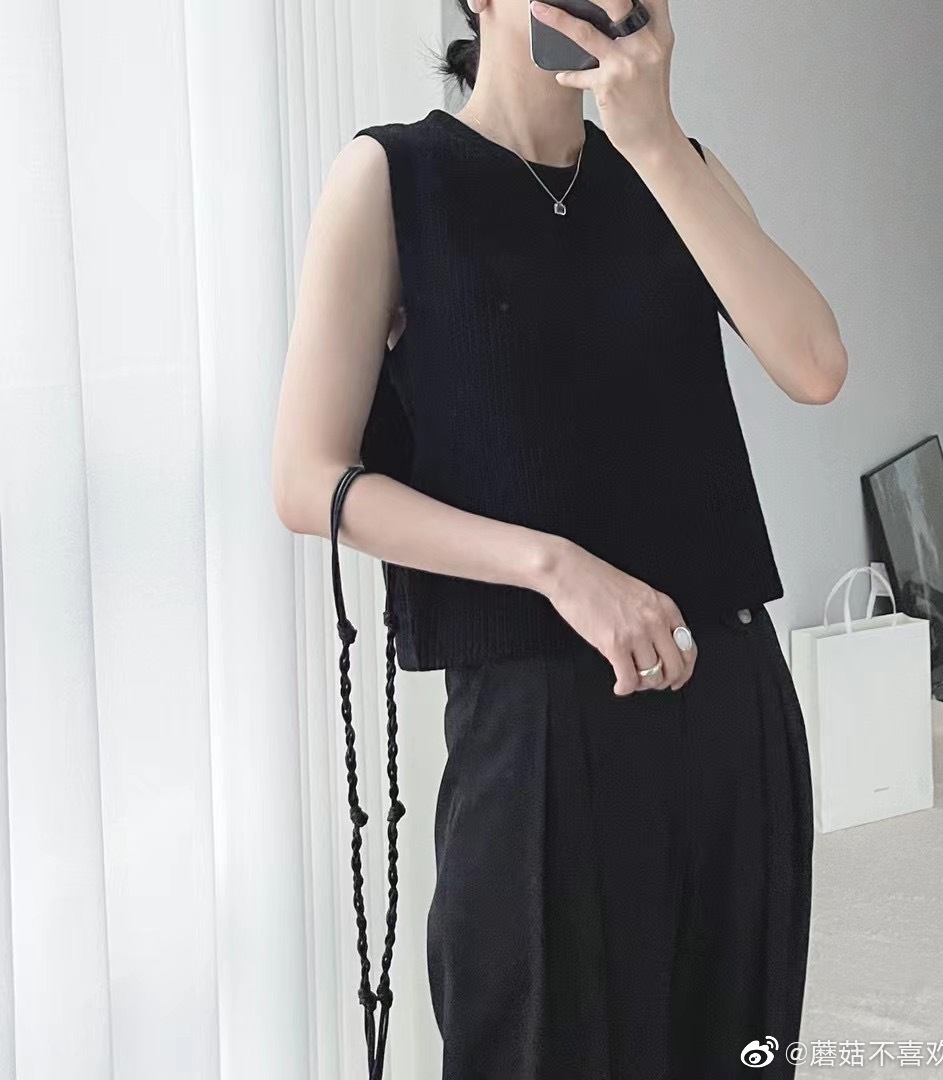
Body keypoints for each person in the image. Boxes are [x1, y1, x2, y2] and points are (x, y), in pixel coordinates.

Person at [272, 0, 847, 1076]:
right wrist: (554, 568)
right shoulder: (393, 178)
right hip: (534, 724)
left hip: (731, 696)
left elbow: (815, 365)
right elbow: (308, 480)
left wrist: (656, 143)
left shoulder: (678, 168)